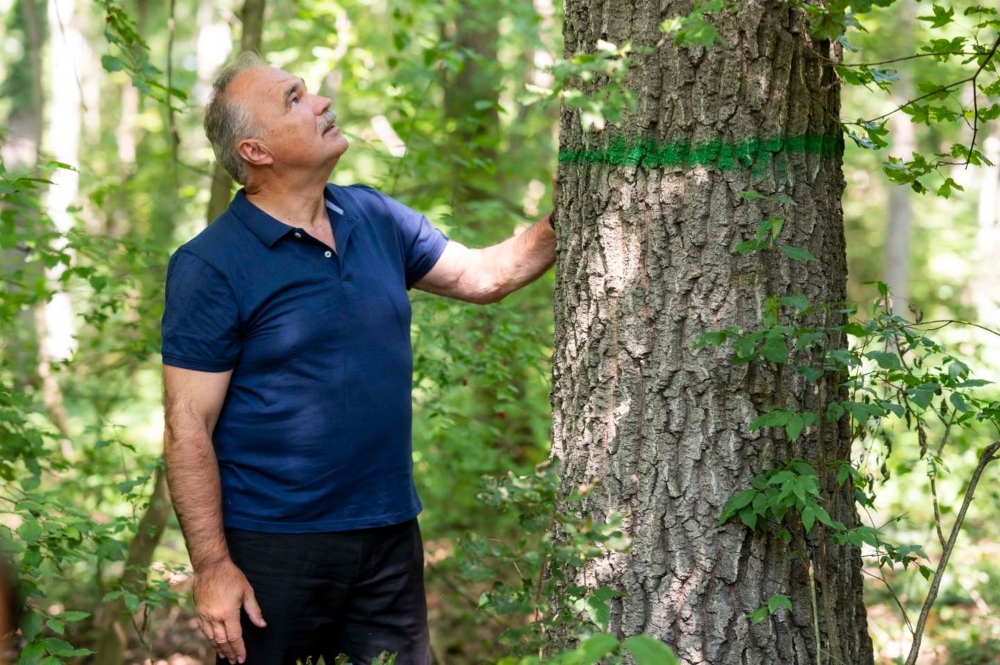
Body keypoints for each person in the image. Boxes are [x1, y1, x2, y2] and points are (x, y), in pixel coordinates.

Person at [161, 51, 556, 665]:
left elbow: (484, 276)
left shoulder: (371, 215)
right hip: (273, 547)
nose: (320, 102)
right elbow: (188, 427)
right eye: (293, 99)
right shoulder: (210, 265)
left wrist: (570, 212)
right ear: (255, 151)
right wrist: (212, 567)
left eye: (309, 92)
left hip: (389, 532)